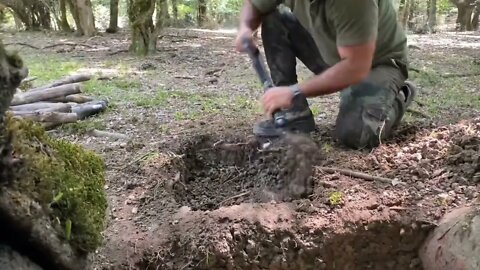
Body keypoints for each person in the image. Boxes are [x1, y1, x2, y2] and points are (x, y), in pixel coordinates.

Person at [234, 0, 417, 149]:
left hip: (375, 64)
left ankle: (399, 95)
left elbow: (356, 66)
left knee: (356, 134)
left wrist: (293, 91)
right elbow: (255, 4)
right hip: (333, 53)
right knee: (275, 17)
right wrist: (245, 27)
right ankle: (295, 114)